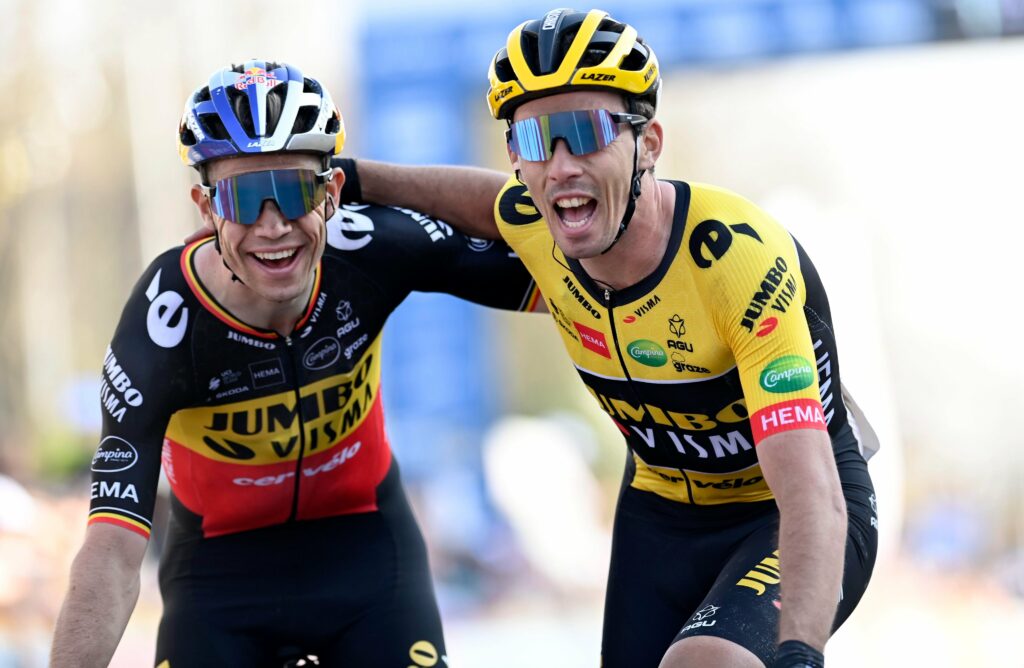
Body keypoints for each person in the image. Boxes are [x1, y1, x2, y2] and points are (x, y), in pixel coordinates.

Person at [342, 8, 879, 667]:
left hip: (784, 509)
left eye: (585, 133)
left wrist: (799, 654)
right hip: (661, 511)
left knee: (705, 664)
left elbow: (809, 495)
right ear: (516, 158)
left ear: (648, 143)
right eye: (536, 140)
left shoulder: (736, 260)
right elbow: (481, 200)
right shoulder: (536, 220)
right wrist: (353, 178)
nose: (561, 166)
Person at [49, 59, 540, 668]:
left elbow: (543, 235)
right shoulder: (163, 324)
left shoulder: (368, 249)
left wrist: (367, 179)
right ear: (206, 206)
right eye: (244, 198)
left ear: (331, 193)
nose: (273, 226)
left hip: (366, 551)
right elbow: (112, 552)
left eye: (295, 191)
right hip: (219, 576)